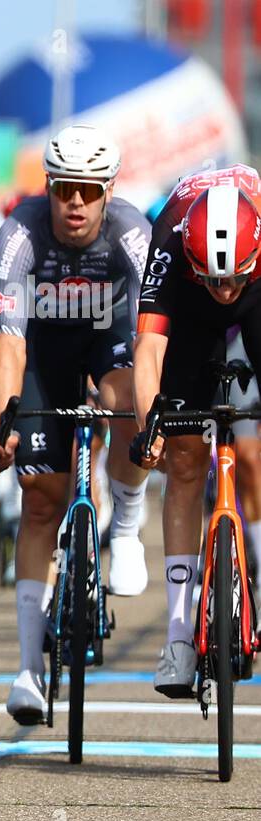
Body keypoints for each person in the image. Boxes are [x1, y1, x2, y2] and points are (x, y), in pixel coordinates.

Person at [0, 124, 152, 723]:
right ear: (48, 188)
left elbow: (151, 336)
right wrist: (3, 421)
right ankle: (29, 669)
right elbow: (8, 346)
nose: (75, 202)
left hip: (110, 342)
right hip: (43, 353)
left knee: (129, 401)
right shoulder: (19, 234)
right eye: (63, 190)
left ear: (108, 192)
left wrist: (152, 419)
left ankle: (125, 526)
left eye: (88, 190)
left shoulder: (131, 232)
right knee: (38, 500)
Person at [130, 165, 261, 696]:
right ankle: (179, 636)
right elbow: (148, 350)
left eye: (233, 278)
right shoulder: (170, 236)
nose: (224, 290)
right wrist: (150, 428)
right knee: (182, 459)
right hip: (188, 312)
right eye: (215, 279)